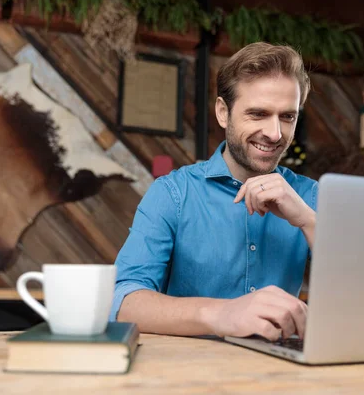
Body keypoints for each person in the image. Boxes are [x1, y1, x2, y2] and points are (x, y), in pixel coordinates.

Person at [109, 42, 318, 342]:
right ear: (223, 112)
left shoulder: (311, 197)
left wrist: (308, 221)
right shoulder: (173, 194)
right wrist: (222, 314)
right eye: (258, 114)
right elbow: (122, 301)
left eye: (288, 117)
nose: (275, 133)